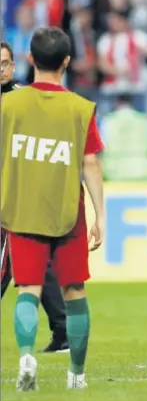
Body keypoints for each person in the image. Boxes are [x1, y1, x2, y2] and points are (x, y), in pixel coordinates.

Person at [1, 27, 106, 391]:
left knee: (27, 290)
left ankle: (27, 355)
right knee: (74, 293)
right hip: (67, 213)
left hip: (21, 210)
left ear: (30, 59)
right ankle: (76, 373)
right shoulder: (80, 108)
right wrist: (100, 216)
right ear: (66, 61)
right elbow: (89, 164)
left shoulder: (7, 105)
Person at [0, 41, 70, 354]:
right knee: (37, 263)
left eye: (4, 63)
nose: (0, 69)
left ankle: (64, 330)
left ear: (14, 67)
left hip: (17, 193)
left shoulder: (26, 99)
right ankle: (64, 330)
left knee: (8, 263)